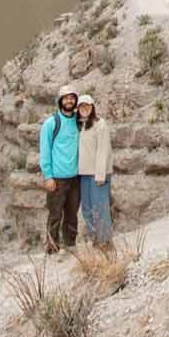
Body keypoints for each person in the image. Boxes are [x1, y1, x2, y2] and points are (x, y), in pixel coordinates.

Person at [38, 86, 83, 252]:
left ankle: (70, 246)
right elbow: (45, 151)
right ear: (60, 101)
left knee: (72, 215)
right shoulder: (51, 123)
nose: (69, 101)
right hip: (57, 178)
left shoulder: (79, 122)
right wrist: (48, 176)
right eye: (66, 98)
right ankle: (52, 249)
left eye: (72, 97)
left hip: (76, 178)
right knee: (55, 215)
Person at [75, 93, 113, 245]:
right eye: (81, 106)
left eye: (87, 106)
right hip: (84, 174)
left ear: (92, 107)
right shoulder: (80, 125)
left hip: (98, 174)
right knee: (87, 208)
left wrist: (100, 175)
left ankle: (105, 241)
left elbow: (103, 150)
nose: (84, 109)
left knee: (100, 207)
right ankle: (95, 238)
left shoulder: (100, 124)